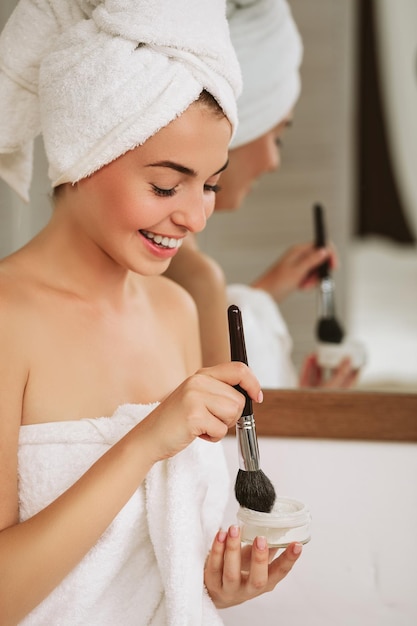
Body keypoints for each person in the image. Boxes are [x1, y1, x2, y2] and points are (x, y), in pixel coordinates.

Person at [0, 1, 302, 624]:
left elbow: (139, 565)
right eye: (167, 185)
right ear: (85, 151)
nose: (194, 217)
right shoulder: (9, 320)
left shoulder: (175, 309)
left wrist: (208, 585)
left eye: (210, 184)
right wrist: (147, 441)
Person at [165, 0, 359, 390]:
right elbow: (226, 444)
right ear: (238, 122)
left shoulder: (185, 269)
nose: (272, 161)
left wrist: (266, 291)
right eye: (277, 136)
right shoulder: (190, 274)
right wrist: (319, 417)